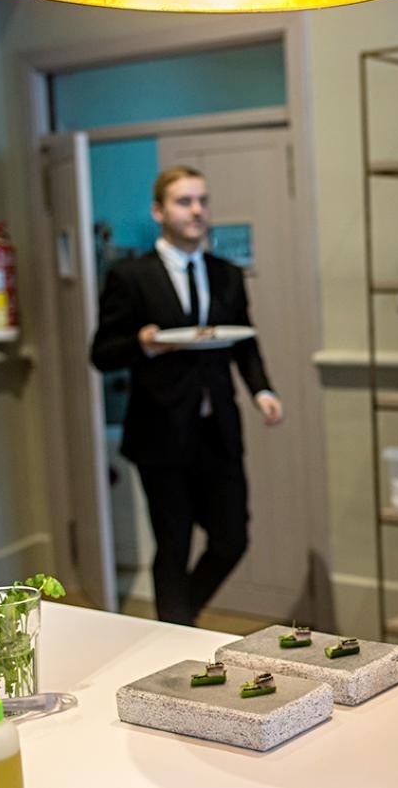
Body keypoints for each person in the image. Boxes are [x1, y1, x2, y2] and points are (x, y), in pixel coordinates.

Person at [91, 165, 283, 626]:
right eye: (184, 201)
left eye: (202, 200)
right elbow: (102, 353)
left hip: (218, 429)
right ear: (159, 211)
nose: (196, 210)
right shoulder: (130, 276)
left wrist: (262, 389)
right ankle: (175, 633)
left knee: (231, 538)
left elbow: (244, 340)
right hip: (159, 432)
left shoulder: (227, 275)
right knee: (173, 543)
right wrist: (144, 342)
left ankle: (177, 620)